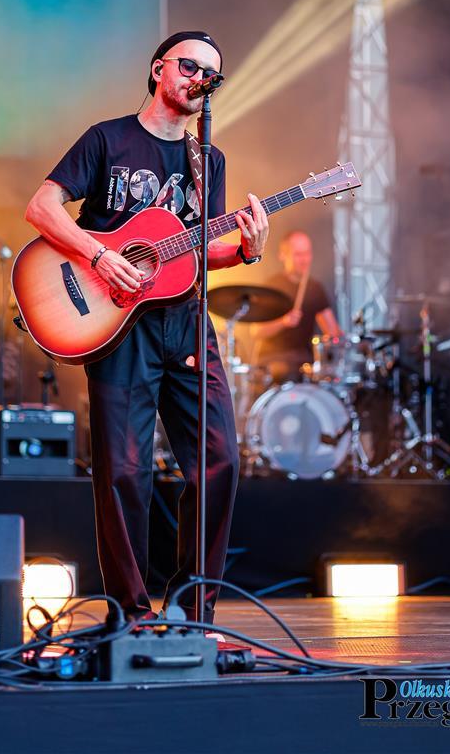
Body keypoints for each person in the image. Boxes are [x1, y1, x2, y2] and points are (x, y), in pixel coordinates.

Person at [24, 31, 269, 625]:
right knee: (124, 472)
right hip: (116, 321)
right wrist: (100, 254)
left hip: (186, 322)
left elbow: (196, 250)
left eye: (211, 74)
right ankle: (130, 616)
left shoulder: (207, 160)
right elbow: (42, 208)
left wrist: (246, 251)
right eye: (190, 66)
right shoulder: (107, 139)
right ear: (159, 69)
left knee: (219, 462)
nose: (200, 79)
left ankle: (192, 613)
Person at [253, 230, 340, 382]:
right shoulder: (272, 287)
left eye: (307, 253)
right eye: (298, 254)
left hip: (305, 360)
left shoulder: (315, 288)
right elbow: (256, 331)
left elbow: (332, 331)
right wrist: (284, 322)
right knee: (284, 370)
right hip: (274, 359)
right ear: (283, 255)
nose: (304, 260)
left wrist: (345, 340)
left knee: (326, 377)